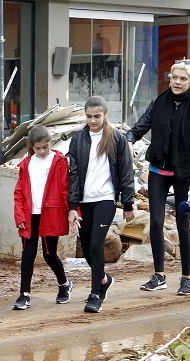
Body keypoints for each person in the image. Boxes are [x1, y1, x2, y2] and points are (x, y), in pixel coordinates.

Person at [127, 60, 190, 296]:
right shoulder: (158, 103)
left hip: (184, 174)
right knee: (157, 222)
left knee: (183, 224)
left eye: (183, 79)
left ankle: (186, 279)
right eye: (174, 77)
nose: (177, 82)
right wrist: (129, 141)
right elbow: (137, 128)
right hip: (158, 171)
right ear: (169, 79)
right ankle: (159, 276)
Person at [66, 96, 135, 314]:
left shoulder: (116, 138)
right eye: (89, 116)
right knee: (86, 247)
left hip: (106, 198)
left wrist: (128, 203)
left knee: (97, 245)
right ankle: (104, 279)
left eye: (97, 116)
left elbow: (126, 171)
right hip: (85, 201)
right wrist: (72, 206)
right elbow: (74, 174)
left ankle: (95, 294)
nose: (93, 120)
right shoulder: (78, 140)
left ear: (105, 115)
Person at [12, 124, 71, 310]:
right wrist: (19, 215)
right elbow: (19, 192)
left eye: (46, 146)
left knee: (49, 254)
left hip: (51, 214)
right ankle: (24, 294)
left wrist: (70, 211)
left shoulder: (59, 161)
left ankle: (64, 284)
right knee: (27, 255)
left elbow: (64, 188)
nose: (43, 151)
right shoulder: (26, 164)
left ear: (50, 143)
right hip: (30, 216)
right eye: (38, 148)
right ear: (31, 147)